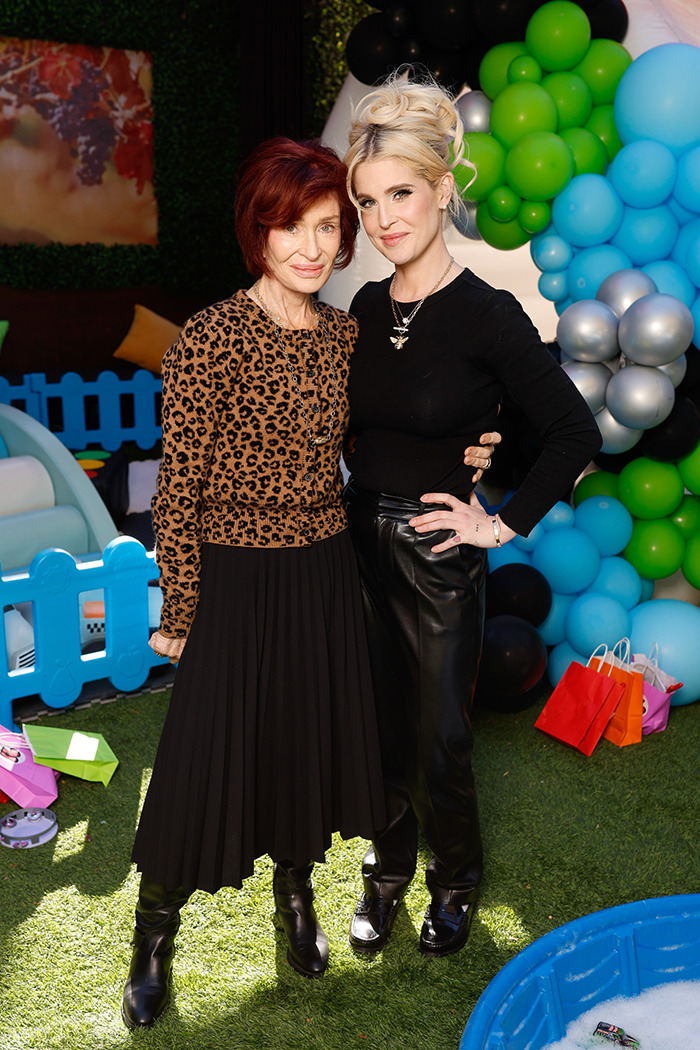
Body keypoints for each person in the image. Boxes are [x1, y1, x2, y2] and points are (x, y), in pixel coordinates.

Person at [121, 137, 390, 1028]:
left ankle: (296, 898)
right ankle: (153, 936)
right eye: (290, 226)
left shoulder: (345, 336)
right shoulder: (210, 336)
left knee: (303, 742)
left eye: (328, 227)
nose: (312, 247)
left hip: (322, 570)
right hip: (233, 576)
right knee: (200, 759)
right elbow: (179, 489)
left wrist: (473, 443)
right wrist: (182, 609)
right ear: (258, 231)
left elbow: (377, 438)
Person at [342, 71, 603, 959]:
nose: (384, 219)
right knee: (375, 725)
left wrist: (499, 522)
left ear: (442, 189)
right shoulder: (365, 306)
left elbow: (572, 431)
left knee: (441, 735)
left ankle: (454, 879)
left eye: (401, 193)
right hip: (357, 540)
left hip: (436, 553)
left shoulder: (489, 314)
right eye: (368, 201)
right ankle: (387, 868)